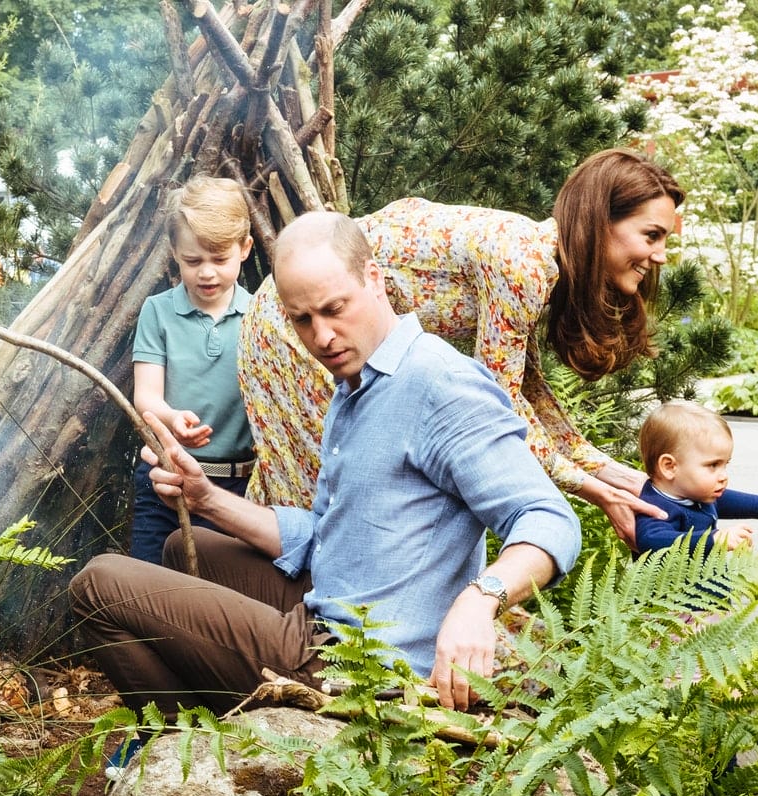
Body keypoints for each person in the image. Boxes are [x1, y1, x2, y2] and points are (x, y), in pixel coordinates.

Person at [71, 212, 580, 766]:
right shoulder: (356, 385)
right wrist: (207, 499)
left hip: (359, 666)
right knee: (180, 549)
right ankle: (215, 726)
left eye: (335, 309)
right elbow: (330, 537)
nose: (323, 337)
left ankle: (189, 748)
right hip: (336, 603)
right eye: (302, 320)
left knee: (98, 583)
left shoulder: (441, 385)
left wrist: (480, 600)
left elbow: (548, 519)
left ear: (376, 280)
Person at [239, 148, 684, 550]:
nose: (660, 255)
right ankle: (310, 628)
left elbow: (527, 391)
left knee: (317, 487)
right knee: (327, 494)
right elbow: (502, 408)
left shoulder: (538, 261)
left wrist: (611, 473)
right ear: (601, 221)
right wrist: (591, 489)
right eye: (651, 235)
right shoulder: (523, 263)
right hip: (290, 322)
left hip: (310, 319)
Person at [129, 176, 257, 564]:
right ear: (174, 252)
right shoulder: (158, 311)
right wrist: (171, 418)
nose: (207, 273)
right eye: (193, 260)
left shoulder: (259, 316)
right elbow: (146, 395)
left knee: (219, 598)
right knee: (151, 589)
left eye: (220, 259)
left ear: (245, 249)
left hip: (237, 486)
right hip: (165, 477)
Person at [634, 400, 758, 562]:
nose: (723, 476)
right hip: (673, 588)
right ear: (669, 467)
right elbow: (651, 540)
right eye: (713, 465)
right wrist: (713, 539)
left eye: (725, 464)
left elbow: (724, 500)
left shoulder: (695, 493)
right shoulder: (655, 507)